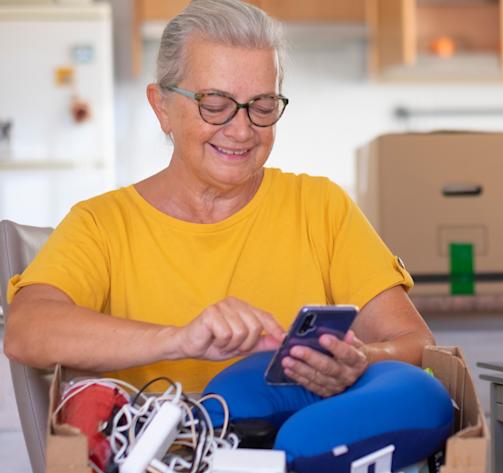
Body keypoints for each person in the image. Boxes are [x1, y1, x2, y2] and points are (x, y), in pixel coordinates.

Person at [3, 0, 435, 398]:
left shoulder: (321, 206)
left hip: (308, 471)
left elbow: (416, 343)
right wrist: (180, 339)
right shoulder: (101, 223)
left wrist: (361, 361)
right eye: (215, 104)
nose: (242, 130)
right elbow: (25, 330)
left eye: (262, 106)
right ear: (162, 107)